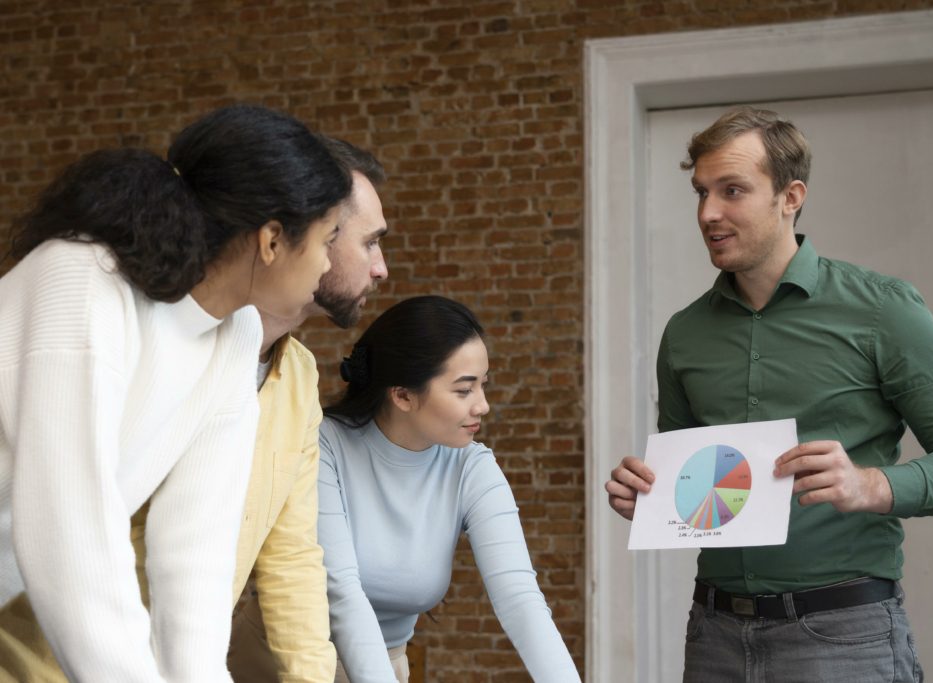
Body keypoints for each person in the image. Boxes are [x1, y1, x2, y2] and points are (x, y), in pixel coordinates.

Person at [604, 107, 933, 682]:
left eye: (732, 190)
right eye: (701, 192)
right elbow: (695, 484)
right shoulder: (684, 333)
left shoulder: (884, 309)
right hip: (713, 637)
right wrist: (650, 498)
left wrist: (870, 484)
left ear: (790, 196)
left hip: (844, 638)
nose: (708, 213)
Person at [0, 104, 349, 682]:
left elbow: (196, 558)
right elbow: (71, 539)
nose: (329, 263)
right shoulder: (83, 283)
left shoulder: (233, 336)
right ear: (271, 240)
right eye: (327, 239)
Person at [318, 296, 581, 683]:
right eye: (464, 391)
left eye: (483, 386)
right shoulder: (324, 445)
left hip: (386, 665)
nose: (483, 406)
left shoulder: (471, 467)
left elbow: (520, 598)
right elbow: (341, 590)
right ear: (403, 395)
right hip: (293, 661)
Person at [221, 138, 390, 682]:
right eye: (370, 244)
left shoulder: (296, 375)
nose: (381, 269)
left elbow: (291, 560)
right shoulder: (175, 349)